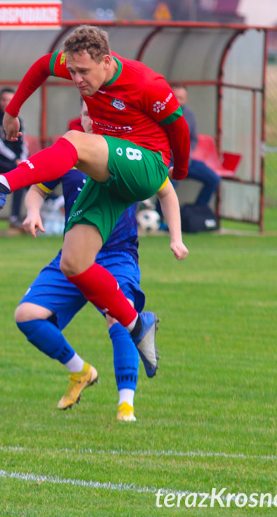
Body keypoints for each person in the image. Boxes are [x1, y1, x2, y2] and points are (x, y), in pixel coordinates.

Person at [0, 25, 191, 376]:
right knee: (73, 263)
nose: (76, 78)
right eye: (72, 71)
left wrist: (177, 170)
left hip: (148, 164)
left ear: (107, 61)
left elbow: (178, 128)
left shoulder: (147, 83)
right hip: (113, 172)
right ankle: (138, 325)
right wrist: (11, 112)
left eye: (84, 72)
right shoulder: (75, 65)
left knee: (74, 140)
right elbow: (44, 65)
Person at [16, 100, 188, 422]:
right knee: (27, 315)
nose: (91, 116)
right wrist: (34, 210)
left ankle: (126, 406)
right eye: (86, 111)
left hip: (116, 257)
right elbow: (36, 190)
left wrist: (175, 237)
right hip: (72, 256)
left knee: (121, 318)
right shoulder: (67, 154)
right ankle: (80, 371)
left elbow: (166, 192)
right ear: (81, 117)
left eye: (98, 111)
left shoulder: (129, 154)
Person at [0, 88, 28, 229]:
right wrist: (15, 158)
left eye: (9, 100)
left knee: (25, 172)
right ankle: (53, 199)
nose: (6, 103)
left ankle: (16, 217)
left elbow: (23, 142)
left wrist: (21, 158)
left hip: (15, 161)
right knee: (20, 173)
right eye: (3, 99)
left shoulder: (17, 119)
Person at [172, 82, 221, 208]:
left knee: (214, 179)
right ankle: (160, 219)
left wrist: (187, 154)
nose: (177, 100)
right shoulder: (161, 113)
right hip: (167, 161)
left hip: (187, 161)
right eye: (174, 96)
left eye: (180, 98)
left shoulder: (189, 115)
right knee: (169, 184)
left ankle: (197, 211)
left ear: (186, 99)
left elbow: (193, 139)